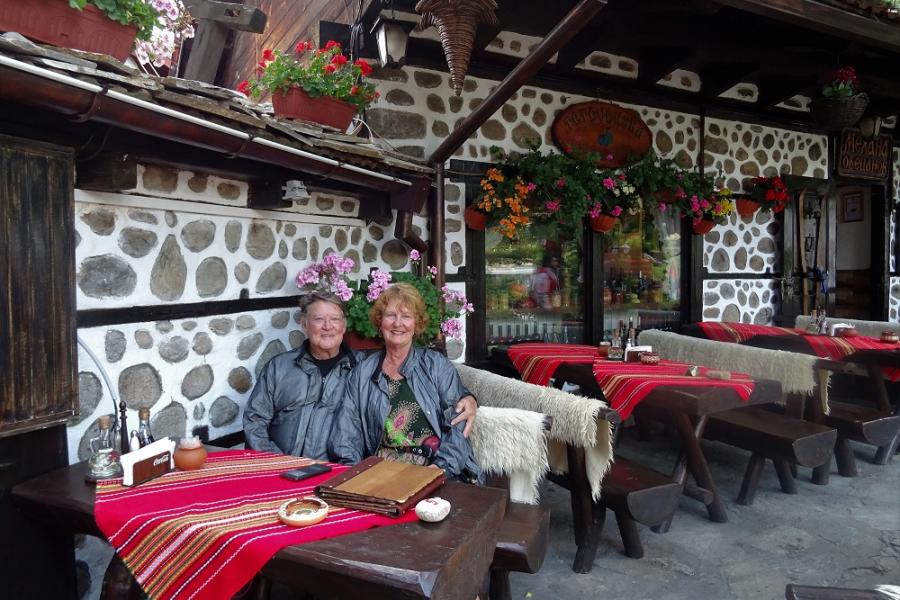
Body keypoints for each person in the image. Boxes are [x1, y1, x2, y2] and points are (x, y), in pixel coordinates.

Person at [243, 290, 478, 459]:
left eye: (334, 319)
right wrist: (275, 461)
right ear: (304, 324)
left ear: (344, 327)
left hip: (334, 469)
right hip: (278, 465)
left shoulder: (360, 367)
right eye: (318, 319)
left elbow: (454, 410)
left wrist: (469, 397)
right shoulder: (280, 367)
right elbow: (255, 420)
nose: (327, 326)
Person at [329, 283, 480, 481]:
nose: (397, 323)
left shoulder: (435, 366)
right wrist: (352, 476)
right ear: (380, 322)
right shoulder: (361, 374)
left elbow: (457, 427)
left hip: (436, 470)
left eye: (406, 316)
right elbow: (346, 433)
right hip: (381, 474)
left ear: (416, 324)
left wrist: (438, 470)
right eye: (390, 315)